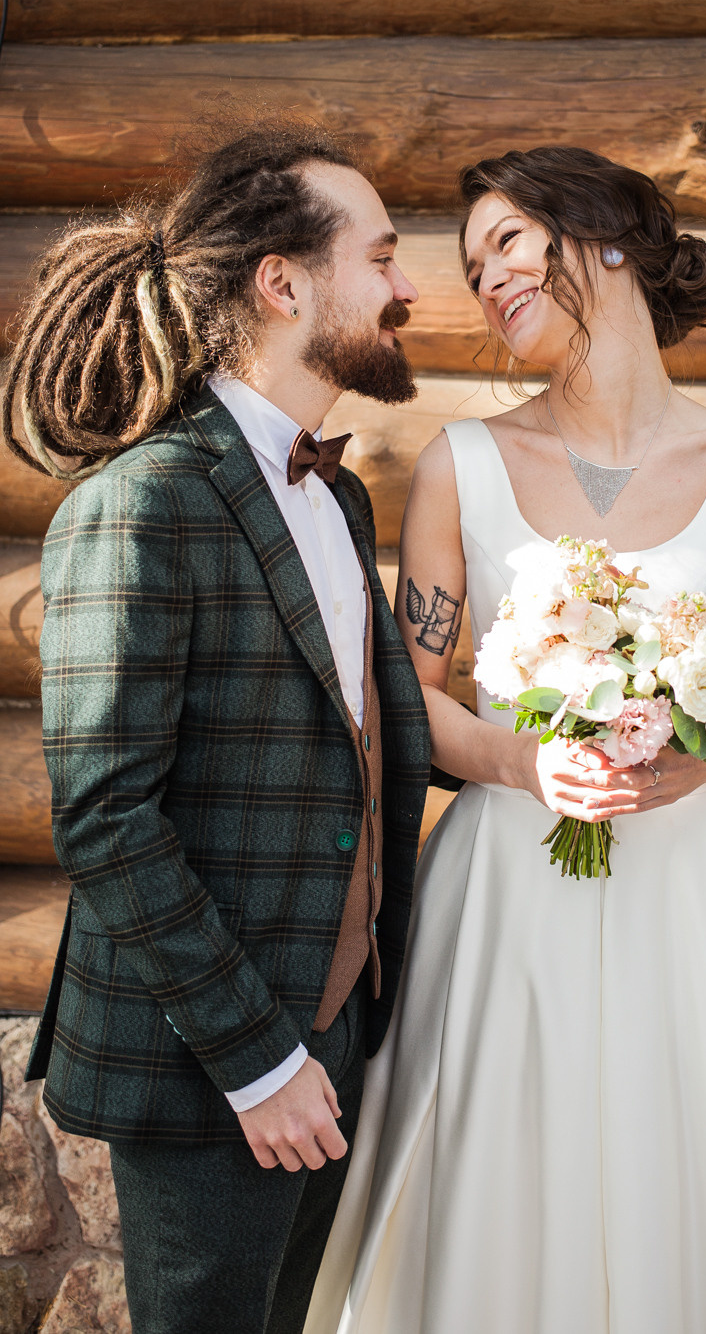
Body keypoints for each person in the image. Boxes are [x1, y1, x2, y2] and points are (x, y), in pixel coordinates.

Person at [303, 146, 706, 1333]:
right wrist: (528, 762)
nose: (486, 283)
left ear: (605, 237)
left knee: (698, 1167)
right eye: (472, 269)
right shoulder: (461, 467)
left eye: (508, 245)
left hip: (693, 891)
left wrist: (698, 762)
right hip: (507, 890)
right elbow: (406, 697)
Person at [4, 124, 431, 1334]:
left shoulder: (334, 492)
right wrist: (260, 1060)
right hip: (216, 1066)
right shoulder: (139, 504)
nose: (406, 288)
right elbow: (105, 818)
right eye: (383, 257)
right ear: (283, 282)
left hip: (341, 1031)